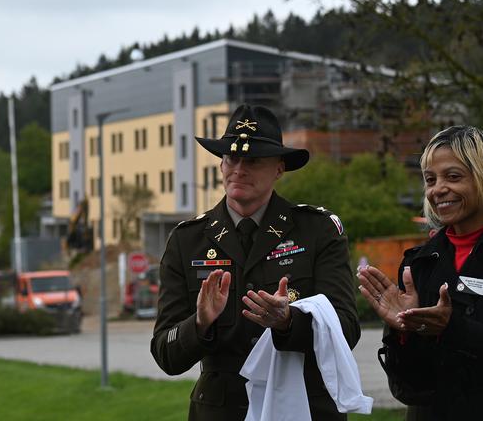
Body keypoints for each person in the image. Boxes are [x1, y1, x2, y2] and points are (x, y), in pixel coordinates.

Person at [151, 104, 360, 420]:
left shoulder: (317, 230)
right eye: (232, 158)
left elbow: (346, 329)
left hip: (304, 406)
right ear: (221, 165)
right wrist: (199, 324)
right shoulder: (187, 240)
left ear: (279, 168)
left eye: (253, 160)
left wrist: (290, 322)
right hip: (222, 411)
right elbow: (166, 352)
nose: (239, 169)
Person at [358, 125, 483, 419]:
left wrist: (451, 329)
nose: (438, 189)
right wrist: (405, 334)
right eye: (430, 179)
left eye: (453, 176)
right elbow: (410, 389)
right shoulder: (418, 263)